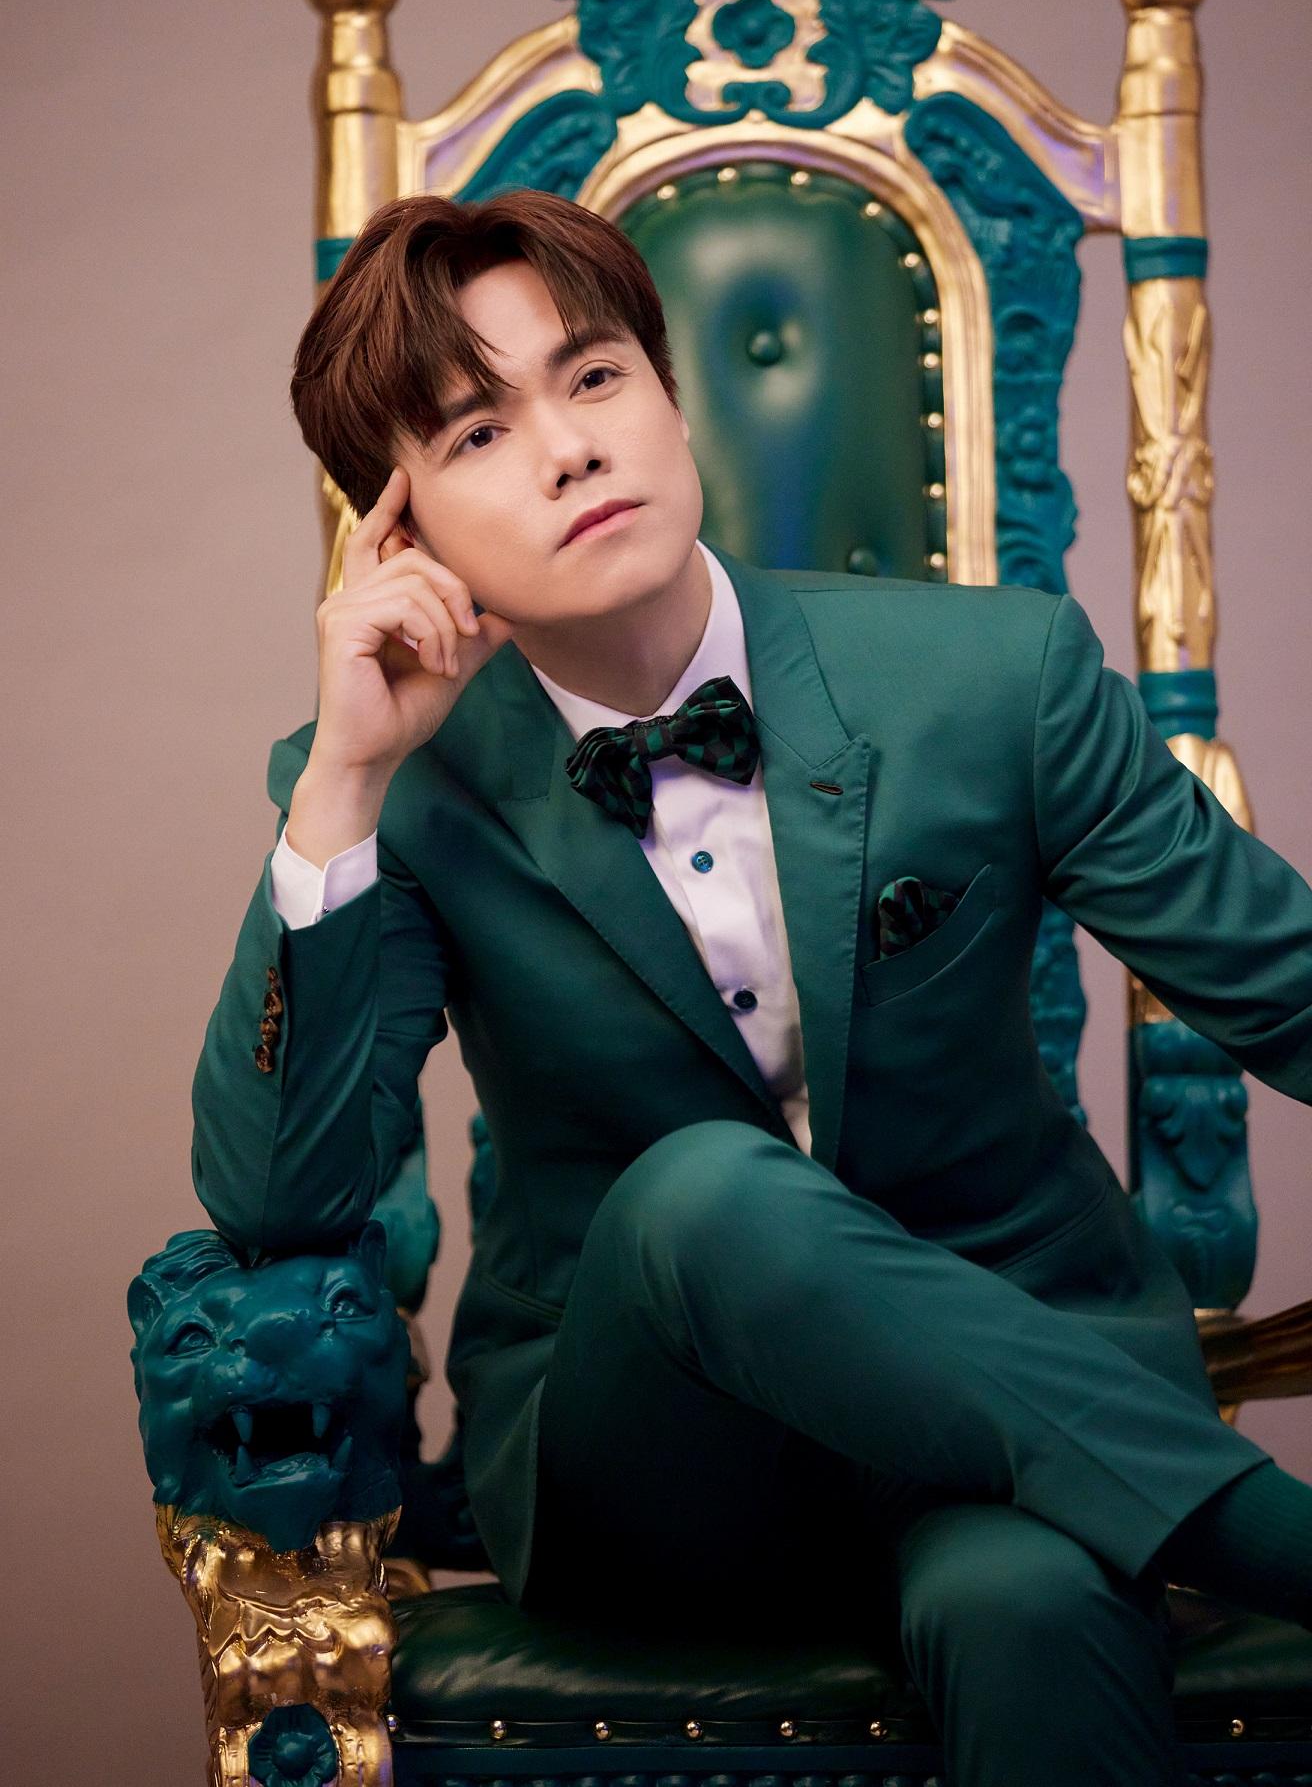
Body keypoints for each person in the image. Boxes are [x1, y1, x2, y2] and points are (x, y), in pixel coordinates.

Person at [192, 188, 1312, 1787]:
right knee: (708, 1192)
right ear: (399, 528)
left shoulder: (996, 675)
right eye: (479, 435)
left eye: (593, 379)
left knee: (1033, 1609)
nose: (571, 450)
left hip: (1016, 1422)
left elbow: (1289, 988)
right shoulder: (397, 787)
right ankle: (1280, 1544)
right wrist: (345, 790)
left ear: (665, 391)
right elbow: (279, 1194)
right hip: (658, 1473)